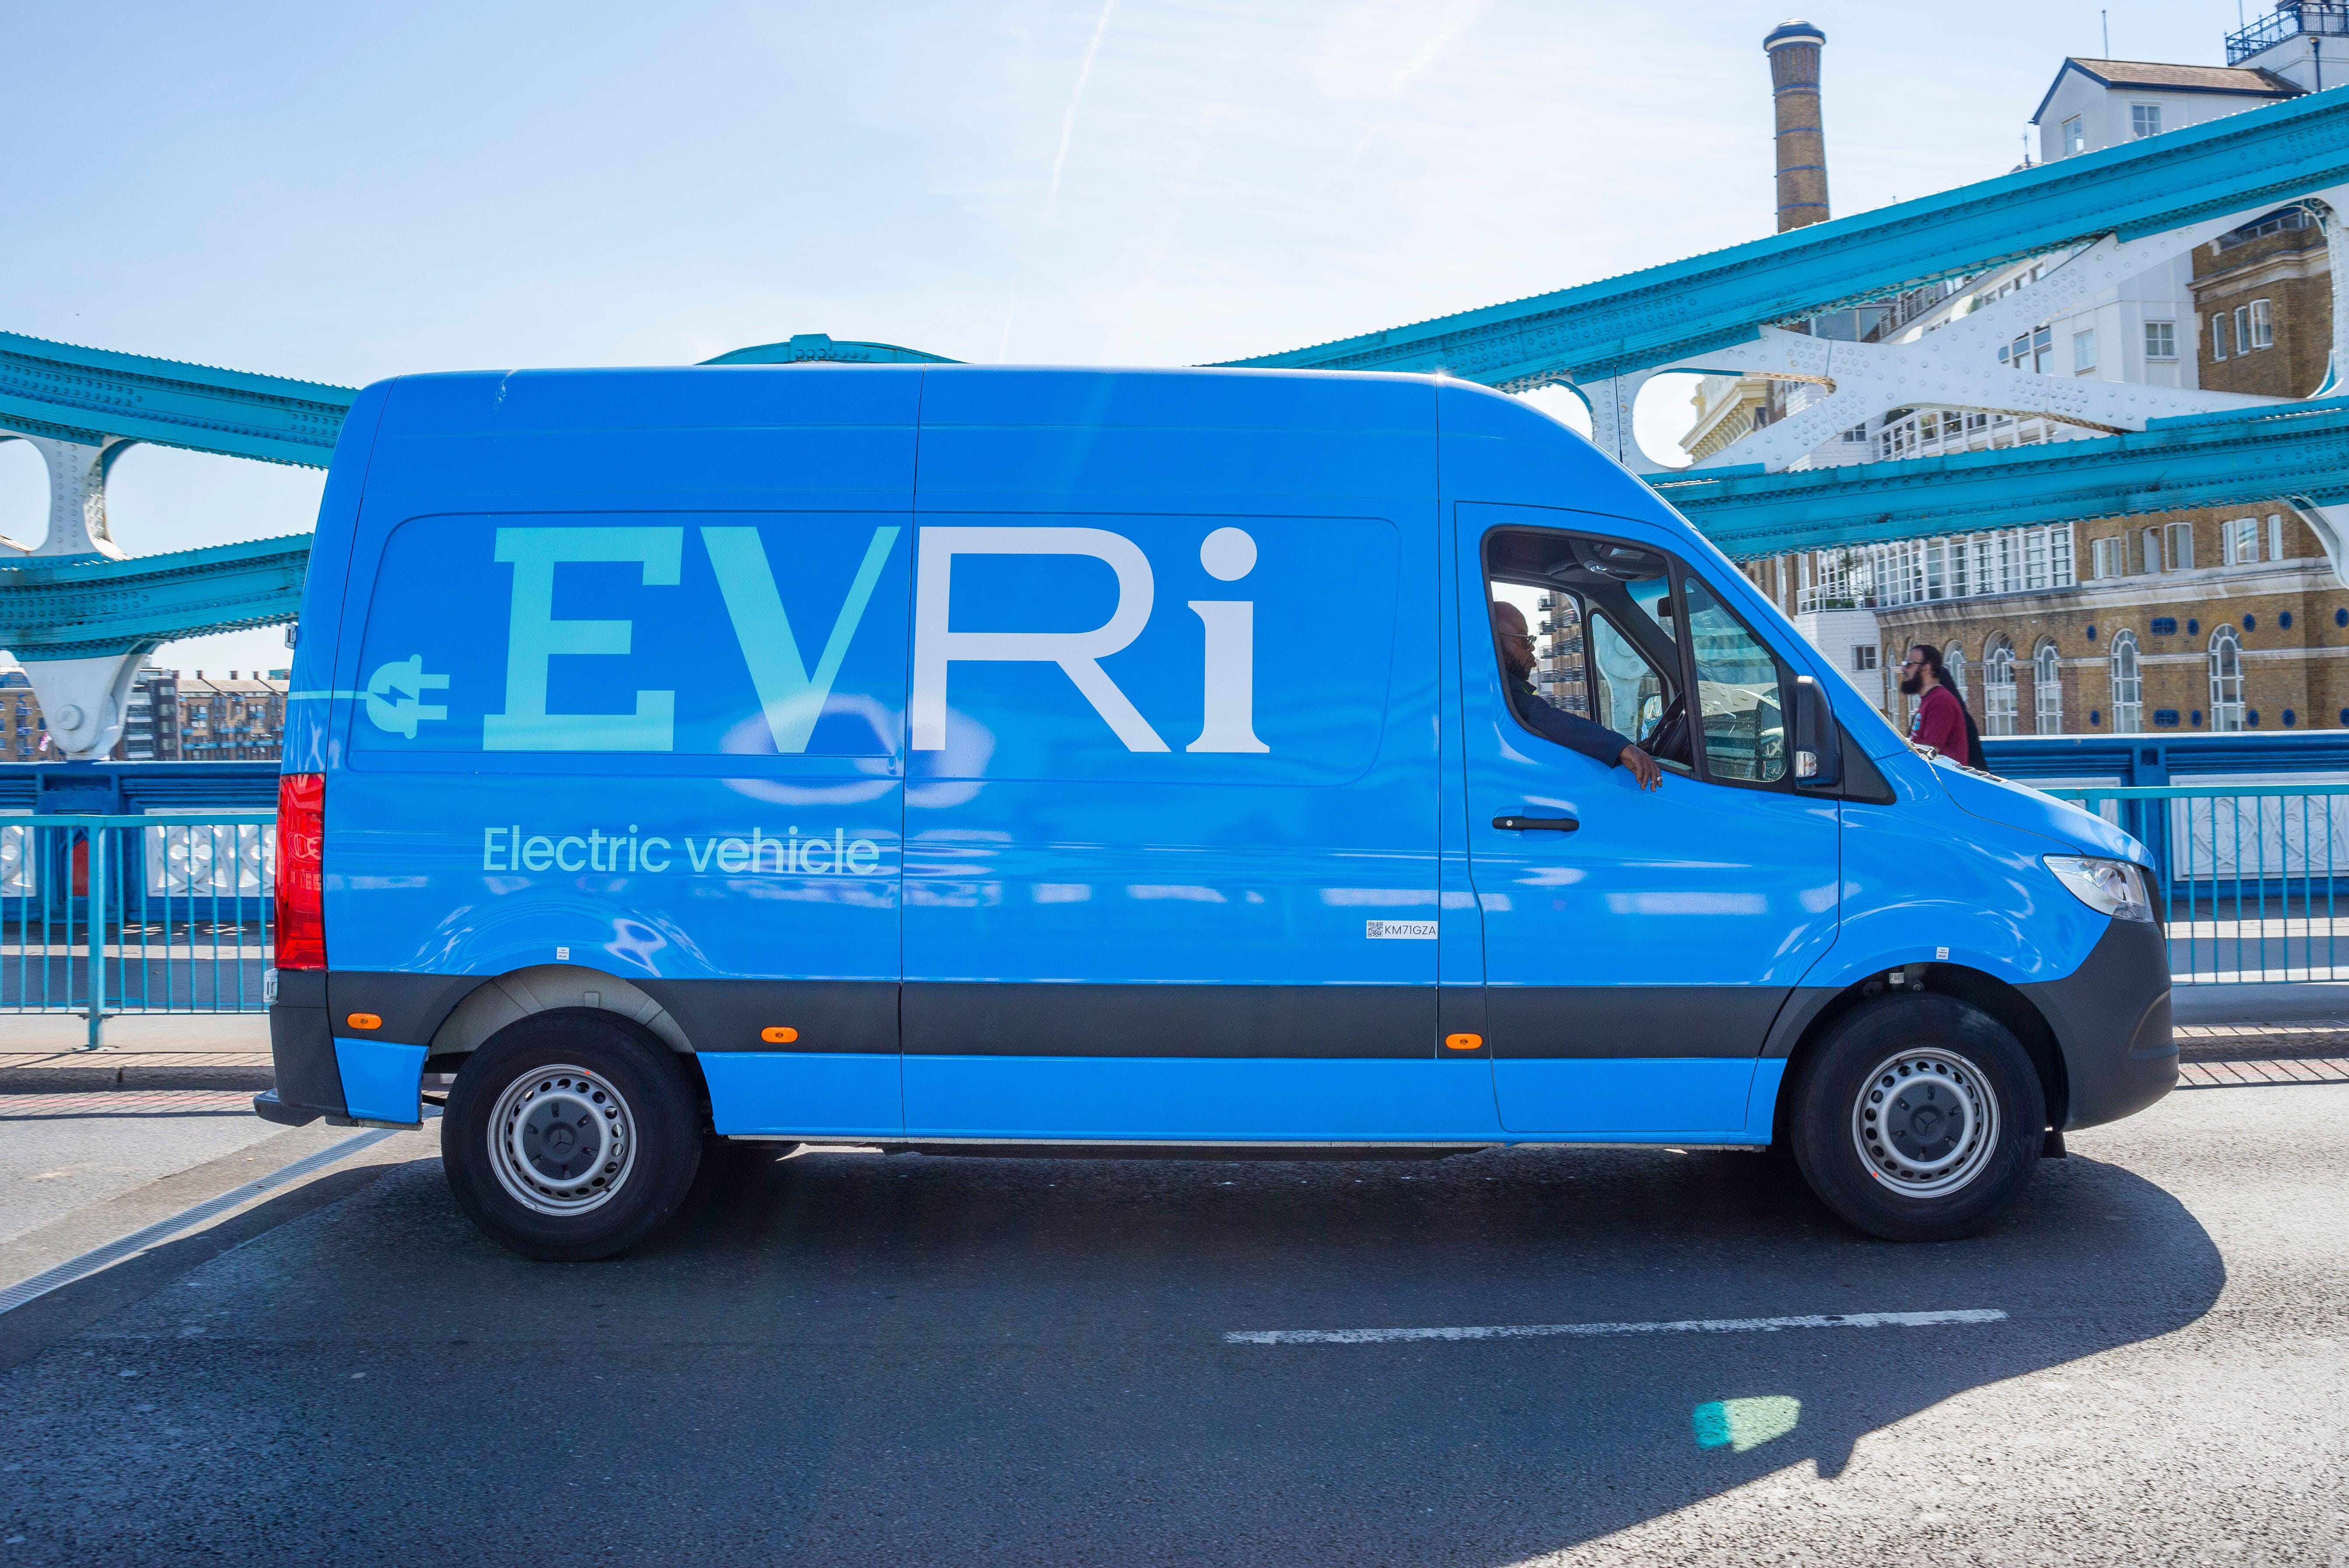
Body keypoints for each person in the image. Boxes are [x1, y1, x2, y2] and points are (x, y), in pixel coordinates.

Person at [1491, 601, 1663, 789]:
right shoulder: (1497, 691)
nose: (1532, 650)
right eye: (1524, 640)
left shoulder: (1500, 686)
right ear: (1494, 640)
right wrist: (1621, 747)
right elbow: (1543, 718)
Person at [1900, 643, 1978, 767]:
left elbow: (1929, 752)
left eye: (1909, 665)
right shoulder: (1930, 699)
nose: (1903, 669)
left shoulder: (1941, 701)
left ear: (1926, 668)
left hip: (1943, 778)